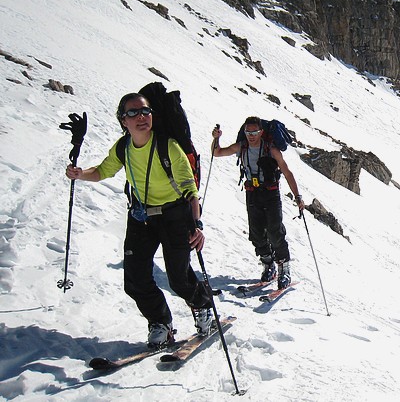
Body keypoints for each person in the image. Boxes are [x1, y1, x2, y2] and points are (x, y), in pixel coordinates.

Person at [65, 93, 214, 348]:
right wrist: (80, 174)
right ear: (123, 121)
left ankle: (202, 305)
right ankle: (160, 322)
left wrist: (196, 225)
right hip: (141, 216)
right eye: (133, 113)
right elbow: (102, 171)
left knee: (179, 279)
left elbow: (190, 189)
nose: (141, 117)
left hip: (174, 216)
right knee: (135, 278)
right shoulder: (123, 148)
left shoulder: (168, 146)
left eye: (145, 111)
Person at [211, 117, 305, 289]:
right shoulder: (242, 147)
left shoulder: (271, 149)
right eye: (248, 132)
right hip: (252, 193)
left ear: (261, 132)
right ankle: (268, 263)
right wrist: (216, 138)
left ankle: (284, 268)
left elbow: (287, 171)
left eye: (254, 132)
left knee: (275, 231)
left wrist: (297, 196)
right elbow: (217, 153)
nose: (251, 136)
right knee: (256, 233)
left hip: (271, 194)